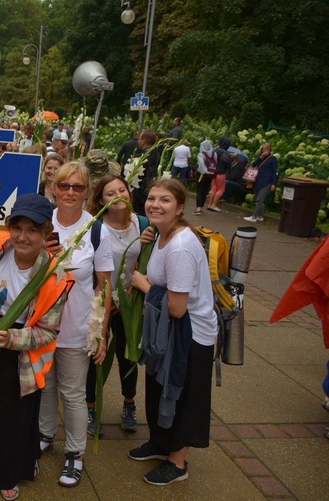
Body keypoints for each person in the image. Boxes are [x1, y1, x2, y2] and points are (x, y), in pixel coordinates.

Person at [0, 193, 72, 500]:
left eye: (33, 230)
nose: (23, 236)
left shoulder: (53, 277)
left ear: (46, 232)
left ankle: (11, 471)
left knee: (13, 416)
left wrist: (13, 339)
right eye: (18, 227)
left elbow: (49, 332)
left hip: (18, 353)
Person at [128, 178, 218, 486]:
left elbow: (178, 307)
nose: (155, 204)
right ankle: (161, 443)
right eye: (151, 198)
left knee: (182, 395)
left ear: (180, 207)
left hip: (189, 334)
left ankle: (177, 462)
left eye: (165, 200)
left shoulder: (180, 246)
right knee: (157, 386)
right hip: (169, 330)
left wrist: (142, 285)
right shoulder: (162, 235)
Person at [37, 162, 113, 488]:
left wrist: (101, 333)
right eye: (64, 185)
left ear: (87, 193)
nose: (70, 192)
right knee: (45, 385)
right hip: (40, 324)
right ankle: (43, 434)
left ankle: (74, 452)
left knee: (73, 392)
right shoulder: (40, 223)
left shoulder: (98, 230)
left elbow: (104, 286)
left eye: (78, 187)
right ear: (53, 187)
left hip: (76, 326)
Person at [84, 174, 147, 438]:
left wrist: (137, 285)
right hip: (100, 300)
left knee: (127, 354)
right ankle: (91, 406)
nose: (118, 195)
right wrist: (102, 302)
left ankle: (129, 403)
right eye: (111, 193)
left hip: (130, 302)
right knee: (95, 354)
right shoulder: (94, 227)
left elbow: (148, 262)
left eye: (122, 189)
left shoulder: (141, 224)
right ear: (100, 199)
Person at [244, 143, 279, 223]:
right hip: (258, 180)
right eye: (264, 149)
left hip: (266, 181)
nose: (265, 150)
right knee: (257, 198)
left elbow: (275, 172)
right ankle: (260, 216)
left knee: (260, 199)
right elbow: (253, 165)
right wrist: (261, 158)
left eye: (267, 149)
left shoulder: (273, 159)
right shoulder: (261, 157)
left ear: (270, 150)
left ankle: (254, 216)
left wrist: (274, 183)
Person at [131, 129, 160, 215]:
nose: (138, 141)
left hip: (139, 196)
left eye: (139, 139)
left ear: (144, 141)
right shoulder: (157, 155)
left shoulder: (140, 157)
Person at [206, 137, 232, 212]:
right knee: (221, 189)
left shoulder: (215, 149)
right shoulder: (223, 152)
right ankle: (213, 205)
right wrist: (232, 157)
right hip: (220, 172)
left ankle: (209, 204)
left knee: (214, 188)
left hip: (213, 171)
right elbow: (226, 161)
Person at [194, 140, 216, 215]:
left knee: (199, 191)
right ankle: (202, 207)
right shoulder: (214, 154)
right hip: (211, 174)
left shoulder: (201, 154)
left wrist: (205, 171)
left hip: (201, 174)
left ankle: (198, 208)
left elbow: (201, 165)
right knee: (205, 190)